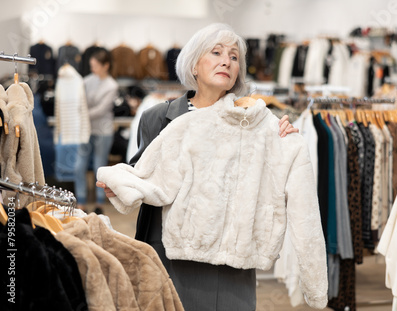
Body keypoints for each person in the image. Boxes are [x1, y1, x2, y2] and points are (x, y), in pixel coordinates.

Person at [97, 23, 327, 310]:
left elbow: (302, 206)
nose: (226, 61)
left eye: (233, 57)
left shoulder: (258, 124)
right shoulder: (157, 117)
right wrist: (120, 186)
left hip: (234, 261)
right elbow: (144, 171)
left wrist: (284, 133)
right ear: (194, 64)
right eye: (216, 52)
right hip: (169, 250)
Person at [75, 49, 118, 213]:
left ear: (105, 66)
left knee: (100, 168)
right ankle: (81, 202)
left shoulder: (112, 85)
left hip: (103, 131)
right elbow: (80, 102)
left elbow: (101, 110)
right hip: (86, 130)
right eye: (91, 66)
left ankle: (100, 203)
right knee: (79, 166)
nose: (92, 69)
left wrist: (83, 114)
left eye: (95, 66)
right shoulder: (85, 81)